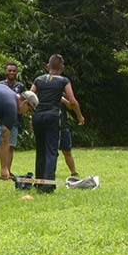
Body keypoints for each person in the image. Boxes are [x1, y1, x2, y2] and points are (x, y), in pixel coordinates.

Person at [31, 55, 83, 192]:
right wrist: (79, 116)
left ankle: (39, 181)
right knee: (51, 151)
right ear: (62, 68)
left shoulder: (38, 80)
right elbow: (72, 101)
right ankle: (48, 185)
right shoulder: (63, 81)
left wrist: (32, 117)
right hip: (53, 116)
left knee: (40, 150)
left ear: (48, 66)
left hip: (38, 116)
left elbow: (29, 97)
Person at [0, 62, 24, 180]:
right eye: (9, 70)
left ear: (17, 72)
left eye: (14, 70)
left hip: (14, 120)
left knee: (10, 146)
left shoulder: (20, 86)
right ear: (5, 71)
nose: (11, 72)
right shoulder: (0, 85)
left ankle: (8, 170)